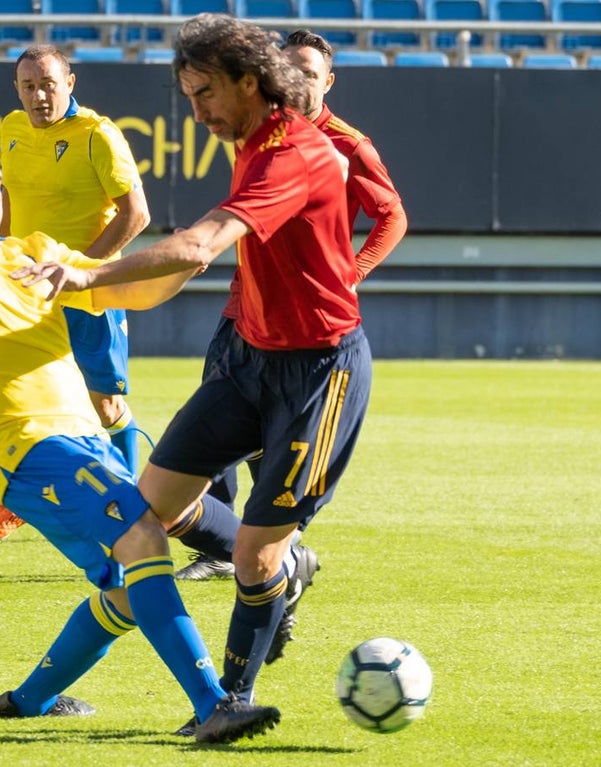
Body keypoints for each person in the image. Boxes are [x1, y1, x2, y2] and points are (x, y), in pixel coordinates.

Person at [0, 124, 280, 744]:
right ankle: (214, 706)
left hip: (86, 442)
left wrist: (189, 257)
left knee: (130, 591)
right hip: (27, 447)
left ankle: (27, 701)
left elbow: (128, 287)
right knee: (143, 539)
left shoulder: (33, 250)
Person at [13, 12, 373, 726]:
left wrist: (86, 275)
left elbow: (202, 243)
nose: (198, 112)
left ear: (249, 82)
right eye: (188, 97)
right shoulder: (251, 137)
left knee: (254, 558)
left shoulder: (293, 152)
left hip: (318, 371)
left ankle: (230, 701)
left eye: (205, 93)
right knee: (149, 515)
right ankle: (32, 698)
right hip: (248, 357)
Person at [177, 28, 407, 593]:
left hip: (307, 322)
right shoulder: (257, 131)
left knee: (276, 437)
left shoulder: (346, 144)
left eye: (310, 72)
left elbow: (392, 214)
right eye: (290, 68)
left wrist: (353, 271)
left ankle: (269, 545)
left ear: (329, 82)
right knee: (215, 417)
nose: (297, 79)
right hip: (246, 305)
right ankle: (230, 545)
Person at [0, 43, 152, 543]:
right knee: (19, 401)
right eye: (28, 86)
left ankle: (130, 508)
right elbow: (10, 200)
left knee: (105, 405)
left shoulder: (98, 135)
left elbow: (136, 214)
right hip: (27, 292)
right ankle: (17, 502)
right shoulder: (11, 128)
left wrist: (79, 271)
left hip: (87, 292)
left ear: (69, 84)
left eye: (48, 85)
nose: (38, 96)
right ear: (16, 89)